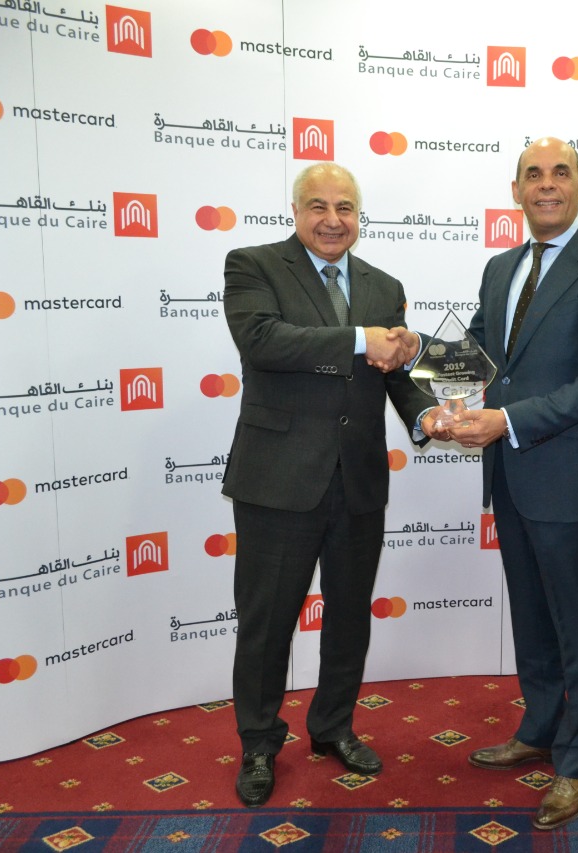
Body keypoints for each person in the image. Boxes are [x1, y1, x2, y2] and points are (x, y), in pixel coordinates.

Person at [221, 163, 433, 808]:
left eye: (346, 207)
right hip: (278, 480)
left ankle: (333, 726)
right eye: (319, 206)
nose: (333, 220)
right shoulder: (253, 265)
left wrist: (427, 417)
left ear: (359, 216)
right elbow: (263, 341)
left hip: (358, 480)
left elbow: (396, 376)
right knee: (267, 623)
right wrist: (362, 339)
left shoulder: (384, 286)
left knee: (348, 616)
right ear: (295, 211)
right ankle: (259, 743)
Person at [445, 137, 578, 830]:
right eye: (534, 174)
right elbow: (474, 354)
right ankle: (539, 728)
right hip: (510, 475)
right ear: (516, 190)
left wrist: (505, 420)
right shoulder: (500, 268)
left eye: (562, 173)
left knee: (577, 625)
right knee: (530, 614)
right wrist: (422, 367)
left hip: (569, 478)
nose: (547, 185)